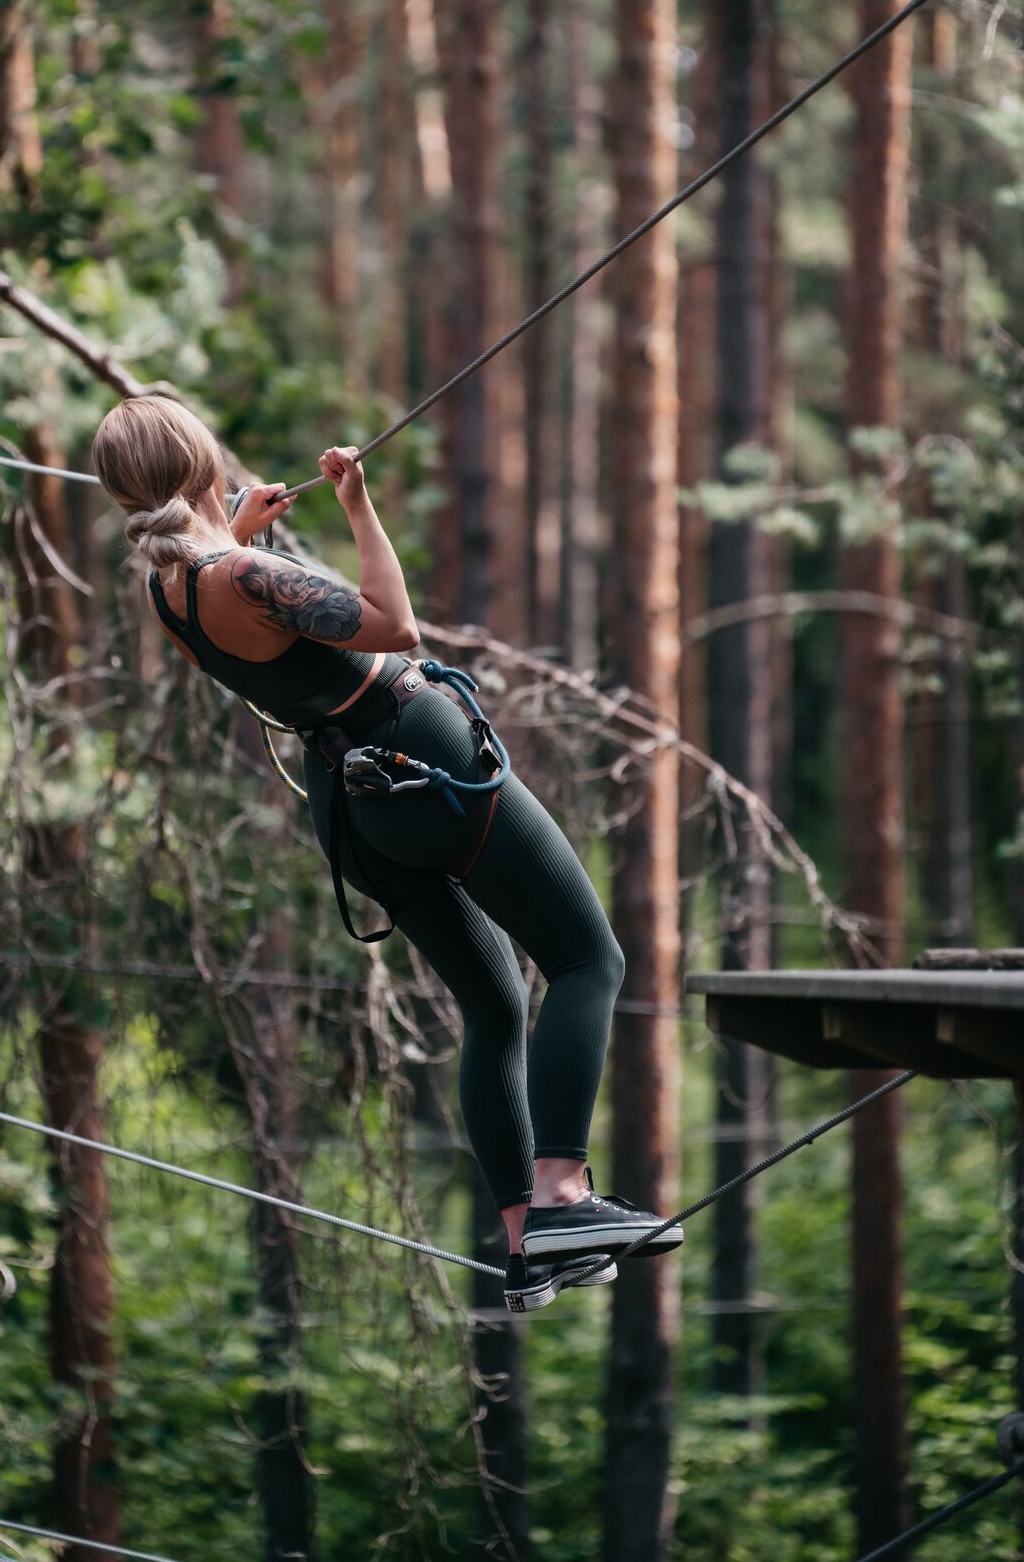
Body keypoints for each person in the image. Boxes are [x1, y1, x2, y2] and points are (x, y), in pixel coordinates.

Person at [92, 392, 683, 1311]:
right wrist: (358, 507)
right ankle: (564, 1194)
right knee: (585, 959)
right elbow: (392, 624)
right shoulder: (244, 575)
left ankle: (527, 1239)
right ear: (205, 460)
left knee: (494, 1005)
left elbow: (256, 622)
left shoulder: (170, 590)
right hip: (422, 758)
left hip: (352, 806)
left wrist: (245, 536)